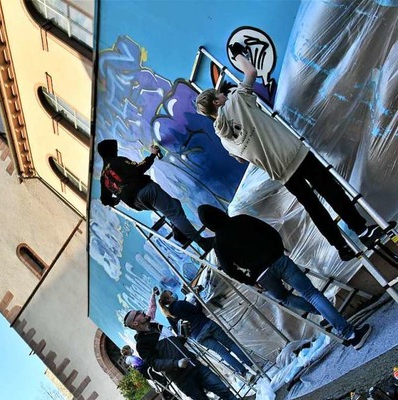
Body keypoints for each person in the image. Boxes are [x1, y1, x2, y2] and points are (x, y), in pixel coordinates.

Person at [195, 43, 382, 261]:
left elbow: (239, 158)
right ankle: (362, 230)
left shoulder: (223, 139)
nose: (224, 95)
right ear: (217, 102)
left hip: (281, 172)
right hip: (295, 153)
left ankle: (341, 247)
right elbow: (251, 73)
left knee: (313, 208)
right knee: (331, 191)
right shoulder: (237, 100)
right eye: (220, 95)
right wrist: (237, 54)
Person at [197, 204, 372, 350]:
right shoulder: (242, 219)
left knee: (286, 299)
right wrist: (278, 250)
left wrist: (250, 281)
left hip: (261, 275)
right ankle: (350, 334)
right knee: (312, 294)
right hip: (278, 259)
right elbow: (271, 232)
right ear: (219, 212)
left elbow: (229, 270)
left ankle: (328, 315)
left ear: (208, 225)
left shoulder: (218, 244)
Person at [123, 309, 275, 400]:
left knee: (224, 391)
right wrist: (176, 363)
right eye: (138, 314)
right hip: (182, 378)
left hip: (195, 365)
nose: (143, 313)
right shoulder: (142, 344)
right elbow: (154, 364)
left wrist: (184, 334)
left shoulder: (158, 326)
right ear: (135, 324)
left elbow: (178, 343)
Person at [97, 139, 213, 252]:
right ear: (110, 150)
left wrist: (116, 199)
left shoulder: (103, 177)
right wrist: (152, 155)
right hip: (146, 189)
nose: (116, 150)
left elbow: (104, 200)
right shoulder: (117, 161)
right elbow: (138, 169)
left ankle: (179, 233)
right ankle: (202, 242)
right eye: (114, 148)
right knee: (174, 213)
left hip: (137, 203)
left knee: (175, 204)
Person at [159, 290, 255, 381]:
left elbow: (179, 332)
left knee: (222, 353)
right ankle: (252, 364)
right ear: (168, 299)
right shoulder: (180, 303)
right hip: (206, 324)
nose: (173, 294)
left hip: (198, 336)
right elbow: (197, 310)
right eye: (171, 293)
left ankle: (245, 373)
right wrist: (197, 297)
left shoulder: (170, 316)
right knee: (230, 344)